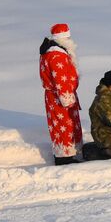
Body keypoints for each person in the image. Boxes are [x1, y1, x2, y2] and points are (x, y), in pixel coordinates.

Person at [39, 23, 83, 165]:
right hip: (60, 97)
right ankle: (65, 157)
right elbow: (60, 79)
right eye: (68, 37)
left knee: (62, 125)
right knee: (64, 125)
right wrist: (67, 99)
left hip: (57, 96)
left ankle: (68, 154)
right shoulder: (57, 55)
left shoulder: (51, 51)